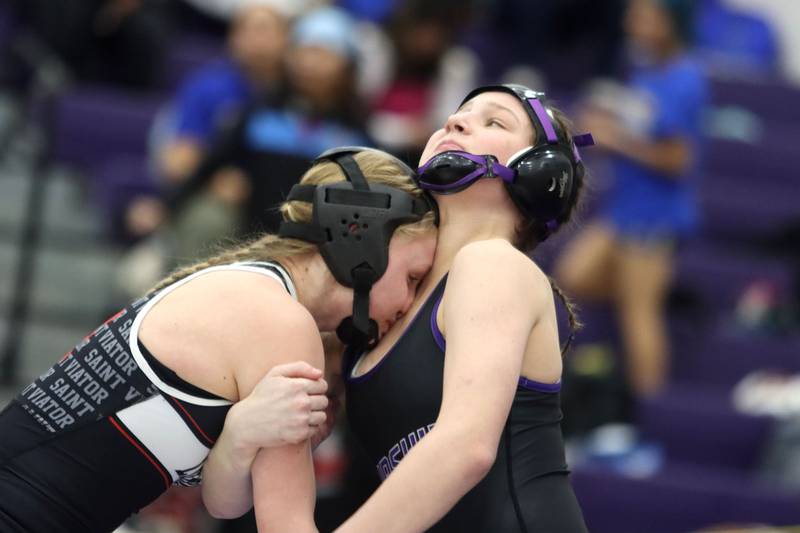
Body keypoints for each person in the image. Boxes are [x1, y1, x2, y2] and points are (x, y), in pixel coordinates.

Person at [206, 83, 592, 532]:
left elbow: (466, 446)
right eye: (459, 113)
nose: (455, 121)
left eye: (494, 121)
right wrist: (240, 435)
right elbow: (244, 498)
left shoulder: (494, 262)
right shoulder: (383, 307)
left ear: (539, 174)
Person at [0, 148, 437, 533]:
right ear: (362, 239)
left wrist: (242, 436)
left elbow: (223, 501)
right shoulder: (279, 321)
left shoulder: (258, 291)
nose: (411, 302)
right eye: (414, 278)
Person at [554, 0, 708, 398]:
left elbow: (677, 160)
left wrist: (616, 139)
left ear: (670, 22)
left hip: (656, 217)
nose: (631, 21)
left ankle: (649, 412)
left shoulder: (686, 78)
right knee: (574, 275)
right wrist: (601, 127)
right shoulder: (643, 69)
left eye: (644, 14)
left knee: (640, 314)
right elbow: (636, 131)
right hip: (623, 209)